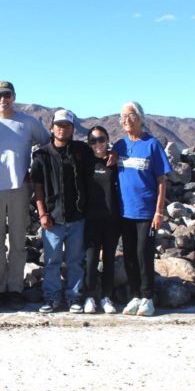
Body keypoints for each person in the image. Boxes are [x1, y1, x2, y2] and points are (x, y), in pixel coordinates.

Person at [0, 81, 50, 310]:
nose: (3, 99)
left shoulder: (28, 122)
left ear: (14, 97)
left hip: (19, 189)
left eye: (7, 95)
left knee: (17, 241)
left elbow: (46, 146)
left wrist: (34, 172)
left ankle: (15, 288)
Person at [111, 101, 171, 317]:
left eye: (131, 115)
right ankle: (134, 295)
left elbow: (162, 180)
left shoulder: (152, 145)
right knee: (128, 255)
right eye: (123, 116)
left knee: (143, 254)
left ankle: (148, 297)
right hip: (124, 212)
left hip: (146, 212)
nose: (127, 119)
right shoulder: (120, 146)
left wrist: (159, 211)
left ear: (141, 118)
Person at [31, 109, 93, 313]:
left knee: (75, 261)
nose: (62, 129)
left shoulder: (81, 151)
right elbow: (37, 186)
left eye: (66, 126)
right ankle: (51, 297)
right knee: (52, 261)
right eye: (58, 125)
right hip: (52, 218)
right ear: (52, 127)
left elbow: (96, 165)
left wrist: (111, 154)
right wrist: (42, 213)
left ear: (72, 129)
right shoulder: (41, 155)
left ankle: (74, 297)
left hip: (77, 216)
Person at [82, 126, 120, 314]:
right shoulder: (85, 162)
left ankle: (106, 297)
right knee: (91, 259)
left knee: (109, 260)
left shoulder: (115, 162)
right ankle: (89, 296)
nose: (98, 144)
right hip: (91, 219)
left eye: (101, 139)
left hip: (112, 219)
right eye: (93, 140)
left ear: (107, 140)